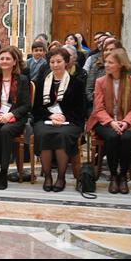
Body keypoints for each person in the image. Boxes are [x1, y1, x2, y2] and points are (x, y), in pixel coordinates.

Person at [86, 48, 131, 194]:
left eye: (110, 62)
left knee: (127, 137)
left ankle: (123, 177)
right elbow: (98, 108)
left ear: (121, 64)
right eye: (106, 62)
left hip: (127, 122)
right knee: (112, 136)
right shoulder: (100, 81)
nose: (106, 65)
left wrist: (126, 122)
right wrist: (111, 122)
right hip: (104, 121)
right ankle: (113, 176)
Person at [32, 48, 85, 192]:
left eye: (59, 61)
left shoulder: (77, 83)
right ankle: (48, 176)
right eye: (52, 62)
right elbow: (36, 108)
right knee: (43, 133)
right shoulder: (42, 82)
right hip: (45, 119)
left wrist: (63, 117)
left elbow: (80, 110)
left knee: (62, 134)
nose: (55, 65)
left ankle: (61, 177)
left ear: (66, 62)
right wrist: (50, 116)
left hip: (70, 121)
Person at [0, 46, 30, 190]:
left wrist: (10, 115)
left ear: (14, 62)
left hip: (14, 117)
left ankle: (3, 172)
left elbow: (26, 105)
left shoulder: (22, 80)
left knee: (5, 131)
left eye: (8, 58)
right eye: (2, 58)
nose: (4, 61)